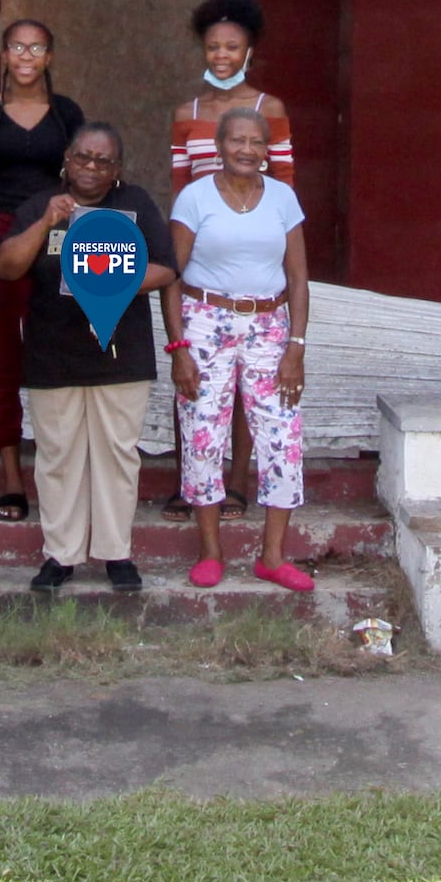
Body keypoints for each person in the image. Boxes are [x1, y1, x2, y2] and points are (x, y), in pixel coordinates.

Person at [0, 122, 173, 597]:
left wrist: (106, 284)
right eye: (82, 157)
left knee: (116, 455)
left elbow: (167, 268)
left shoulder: (135, 205)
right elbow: (7, 266)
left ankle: (116, 553)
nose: (90, 168)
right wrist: (44, 223)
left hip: (120, 354)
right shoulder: (42, 203)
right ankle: (61, 554)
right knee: (58, 456)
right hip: (53, 354)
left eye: (103, 161)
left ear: (118, 169)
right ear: (67, 159)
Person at [164, 103, 315, 594]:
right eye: (237, 141)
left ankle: (272, 556)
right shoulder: (194, 198)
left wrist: (296, 345)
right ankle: (211, 552)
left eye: (256, 142)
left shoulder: (283, 199)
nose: (247, 150)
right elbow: (170, 277)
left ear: (266, 151)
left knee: (282, 434)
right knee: (203, 431)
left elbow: (298, 278)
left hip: (270, 324)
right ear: (220, 147)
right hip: (205, 321)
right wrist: (179, 348)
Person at [0, 18, 82, 525]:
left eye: (37, 48)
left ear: (50, 56)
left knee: (55, 351)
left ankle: (59, 469)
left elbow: (85, 178)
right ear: (4, 54)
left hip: (52, 235)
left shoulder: (67, 114)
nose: (26, 56)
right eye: (17, 47)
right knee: (2, 355)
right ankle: (12, 476)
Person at [167, 0, 294, 192]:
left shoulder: (269, 108)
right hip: (201, 223)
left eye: (232, 47)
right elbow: (180, 186)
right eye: (213, 47)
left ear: (248, 53)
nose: (221, 55)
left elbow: (284, 181)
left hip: (256, 221)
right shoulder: (185, 114)